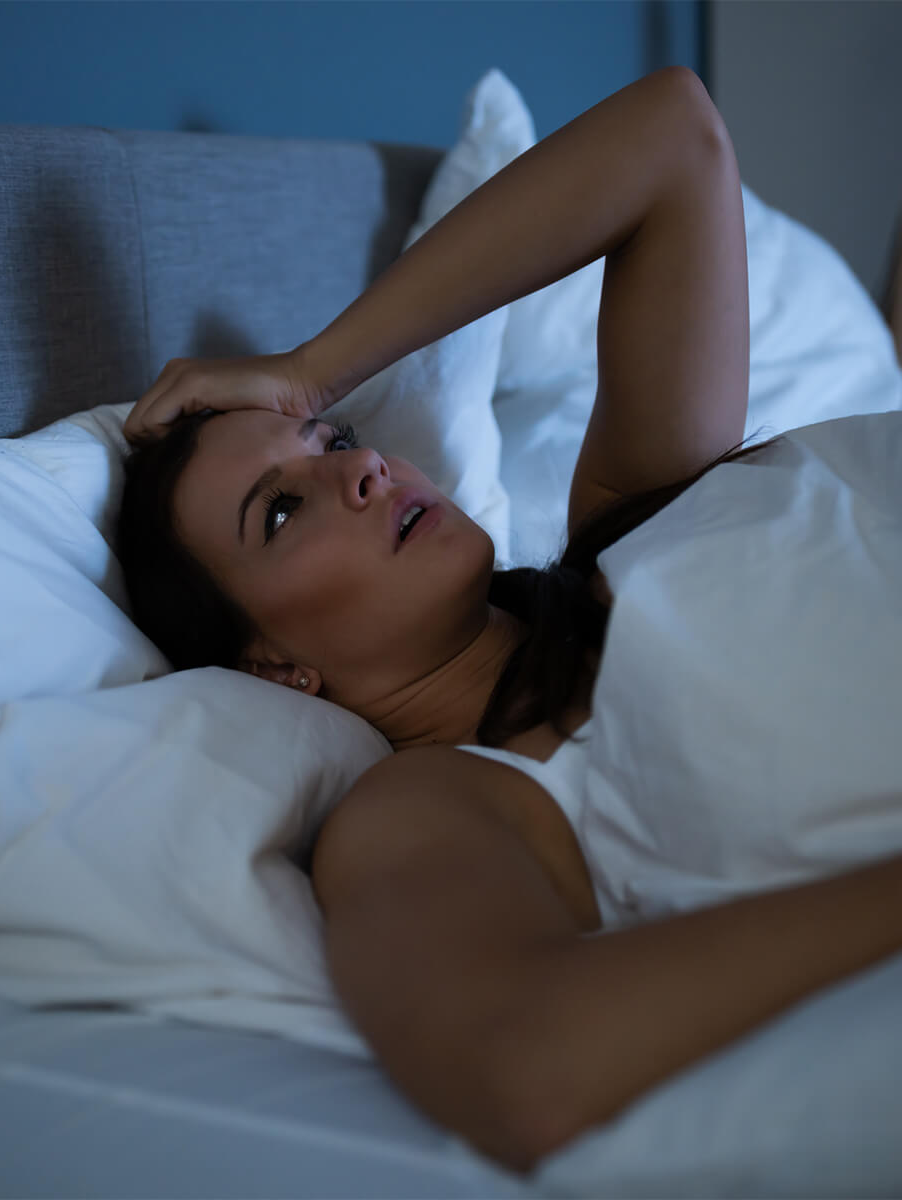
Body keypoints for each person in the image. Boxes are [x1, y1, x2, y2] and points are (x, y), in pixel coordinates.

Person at [117, 68, 902, 1172]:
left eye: (334, 440)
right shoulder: (435, 804)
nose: (364, 467)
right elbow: (523, 1059)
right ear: (273, 666)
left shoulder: (633, 512)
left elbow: (675, 133)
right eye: (281, 508)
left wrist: (307, 373)